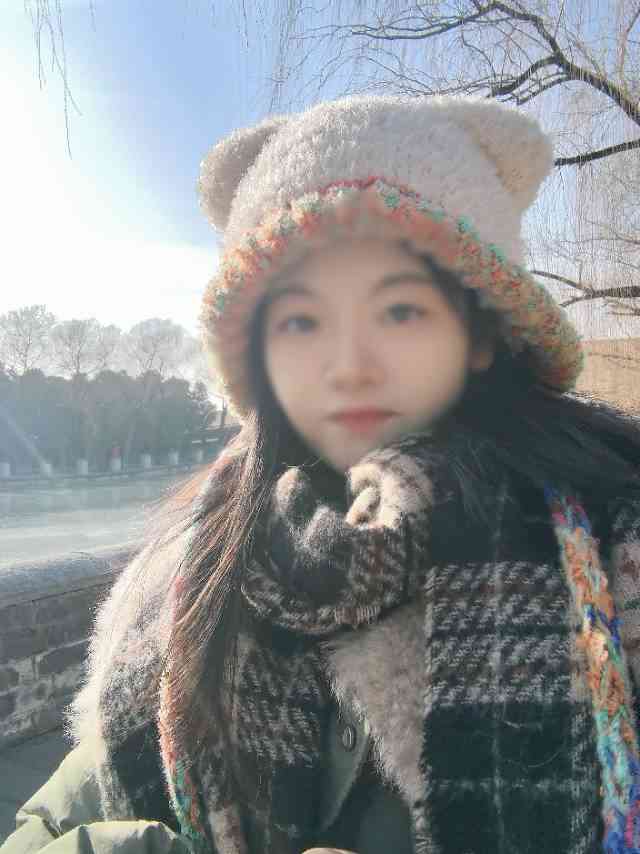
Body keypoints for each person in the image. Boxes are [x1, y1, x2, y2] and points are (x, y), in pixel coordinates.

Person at [4, 94, 640, 854]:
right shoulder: (191, 575)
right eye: (302, 322)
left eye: (400, 312)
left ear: (480, 333)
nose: (348, 366)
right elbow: (47, 827)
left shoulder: (613, 561)